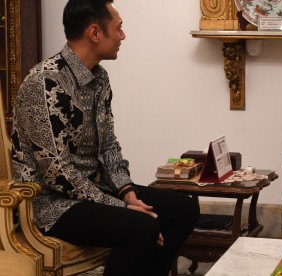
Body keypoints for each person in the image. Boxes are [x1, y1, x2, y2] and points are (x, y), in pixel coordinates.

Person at [10, 0, 199, 275]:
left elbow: (109, 147)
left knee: (183, 210)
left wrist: (128, 193)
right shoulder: (44, 83)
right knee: (142, 227)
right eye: (119, 28)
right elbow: (55, 172)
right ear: (95, 33)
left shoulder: (99, 79)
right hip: (52, 204)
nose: (123, 36)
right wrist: (122, 207)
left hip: (94, 193)